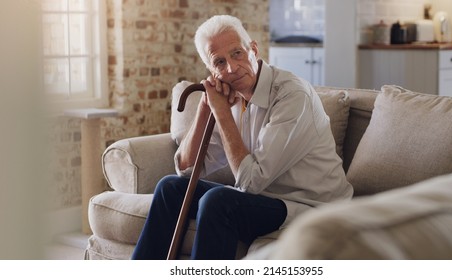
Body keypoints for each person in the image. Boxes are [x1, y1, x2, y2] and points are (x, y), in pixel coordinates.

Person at [131, 15, 353, 260]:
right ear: (212, 71)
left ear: (253, 50)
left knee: (219, 202)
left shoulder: (291, 96)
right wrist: (206, 110)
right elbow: (186, 170)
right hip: (263, 200)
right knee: (170, 188)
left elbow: (251, 182)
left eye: (237, 53)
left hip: (310, 206)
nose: (231, 68)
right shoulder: (231, 96)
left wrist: (222, 113)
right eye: (219, 62)